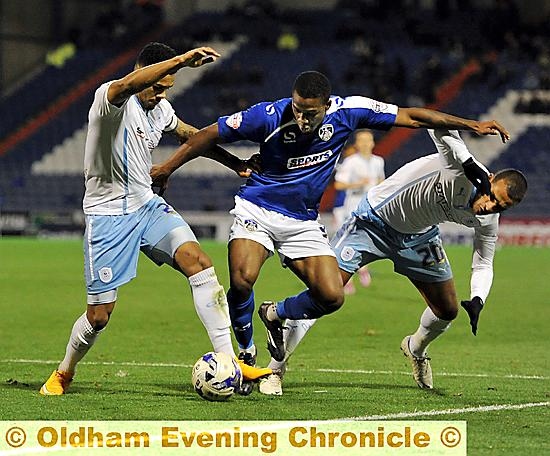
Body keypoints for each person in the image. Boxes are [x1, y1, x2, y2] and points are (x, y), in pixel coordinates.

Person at [150, 70, 510, 395]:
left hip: (304, 221)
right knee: (243, 279)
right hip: (258, 208)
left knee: (332, 296)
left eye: (311, 112)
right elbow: (207, 135)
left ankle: (275, 314)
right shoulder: (268, 115)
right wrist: (168, 168)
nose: (303, 118)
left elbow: (412, 116)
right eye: (298, 109)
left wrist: (469, 125)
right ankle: (245, 356)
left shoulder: (349, 111)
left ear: (327, 105)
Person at [39, 42, 271, 396]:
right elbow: (128, 86)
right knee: (99, 316)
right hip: (108, 216)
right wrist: (180, 59)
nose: (161, 95)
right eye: (157, 86)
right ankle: (64, 372)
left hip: (145, 205)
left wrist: (235, 163)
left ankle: (229, 363)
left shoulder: (160, 108)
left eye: (168, 89)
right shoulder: (110, 99)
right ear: (142, 73)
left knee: (200, 263)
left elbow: (192, 137)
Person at [258, 129, 527, 395]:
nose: (491, 206)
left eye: (500, 206)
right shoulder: (460, 168)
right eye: (492, 196)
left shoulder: (488, 219)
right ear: (488, 179)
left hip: (419, 238)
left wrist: (479, 297)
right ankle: (274, 367)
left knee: (447, 310)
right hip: (371, 224)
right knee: (326, 294)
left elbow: (483, 261)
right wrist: (469, 161)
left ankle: (416, 348)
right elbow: (438, 127)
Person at [333, 129, 385, 293]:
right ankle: (346, 278)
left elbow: (381, 180)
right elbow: (338, 184)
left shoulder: (378, 161)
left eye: (368, 140)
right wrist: (358, 184)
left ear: (373, 143)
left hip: (371, 206)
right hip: (353, 206)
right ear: (356, 143)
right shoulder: (351, 162)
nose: (365, 143)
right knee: (349, 242)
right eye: (361, 140)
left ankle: (362, 269)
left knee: (367, 241)